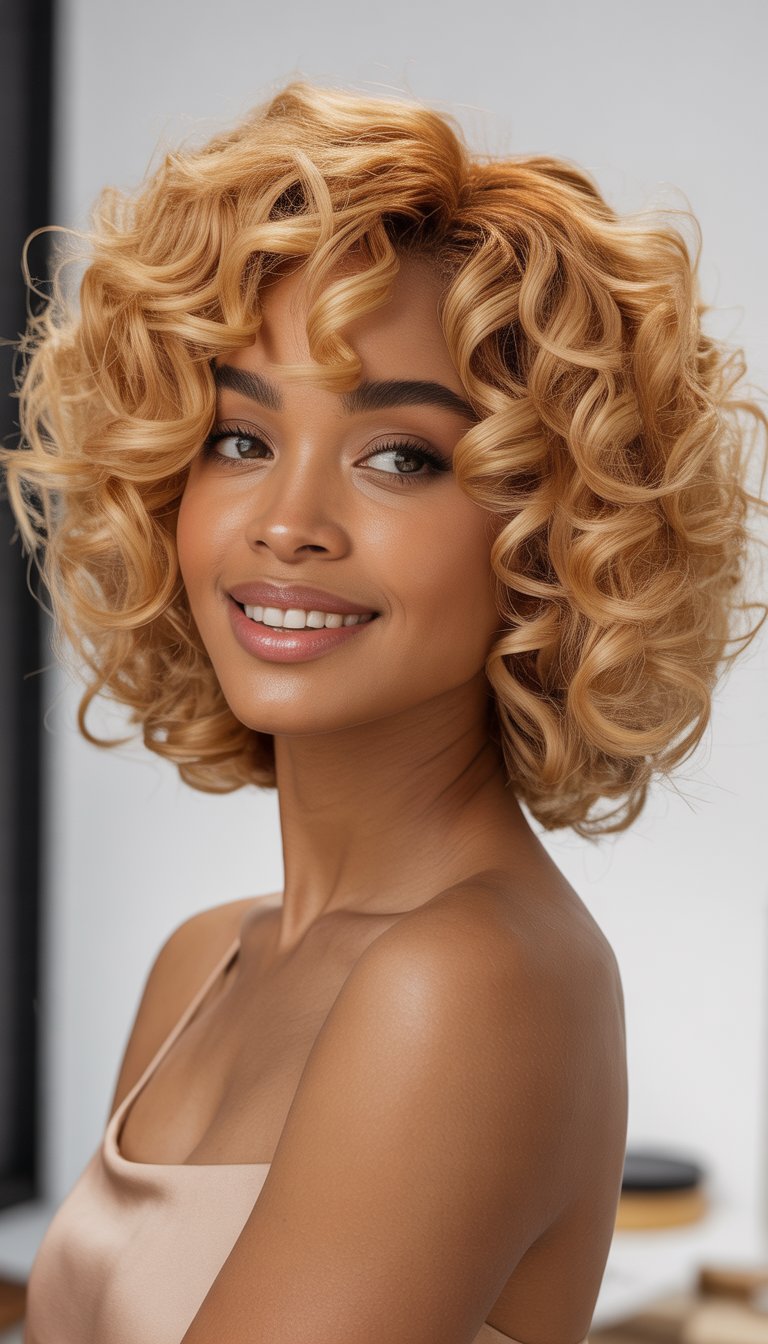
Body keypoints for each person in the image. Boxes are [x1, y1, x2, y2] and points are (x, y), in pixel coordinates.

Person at [4, 79, 766, 1344]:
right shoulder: (207, 963)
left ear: (546, 537)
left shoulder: (468, 982)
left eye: (398, 456)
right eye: (240, 440)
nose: (286, 519)